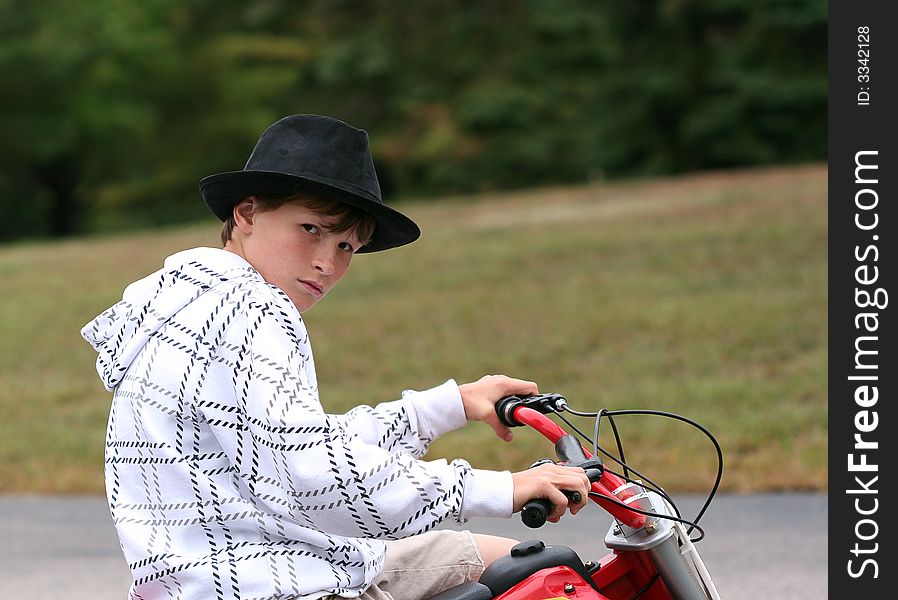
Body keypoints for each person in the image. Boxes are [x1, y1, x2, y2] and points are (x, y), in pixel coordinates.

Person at [82, 114, 590, 600]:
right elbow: (313, 473)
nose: (327, 261)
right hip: (277, 584)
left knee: (487, 559)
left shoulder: (186, 304)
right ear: (247, 213)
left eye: (347, 246)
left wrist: (452, 404)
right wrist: (501, 488)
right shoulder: (255, 308)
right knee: (551, 575)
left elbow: (289, 444)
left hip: (208, 579)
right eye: (312, 230)